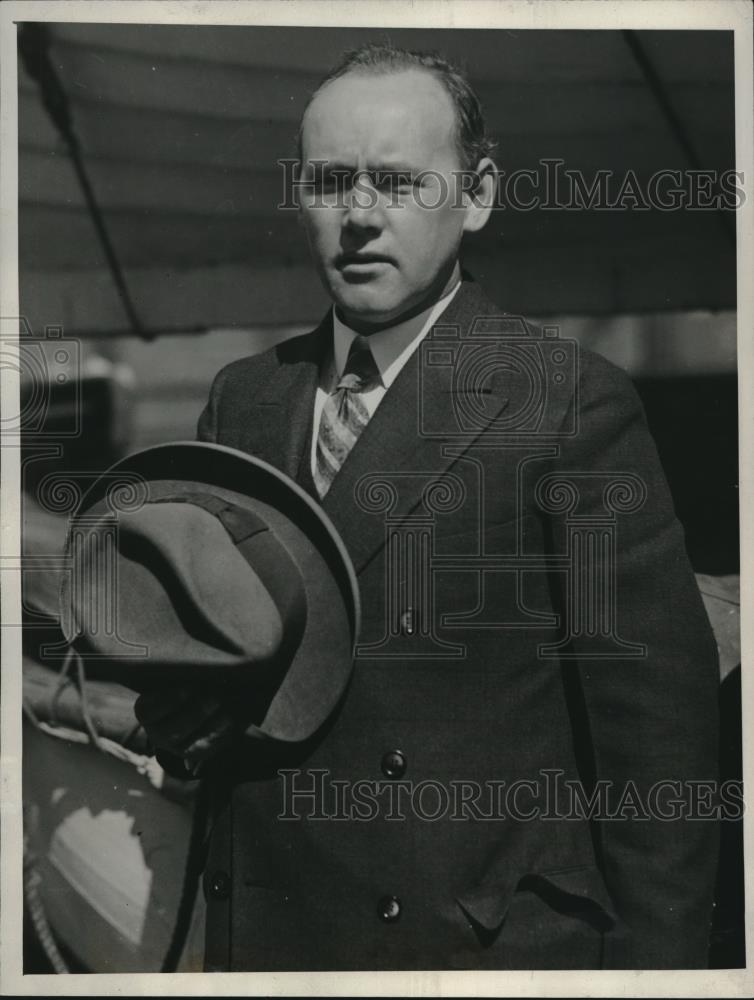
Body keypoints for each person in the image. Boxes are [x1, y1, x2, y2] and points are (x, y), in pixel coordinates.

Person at [134, 45, 720, 971]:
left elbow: (659, 745)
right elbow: (223, 661)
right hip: (270, 944)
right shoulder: (242, 399)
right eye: (331, 181)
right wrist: (183, 714)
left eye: (398, 181)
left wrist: (668, 981)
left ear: (478, 195)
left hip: (474, 950)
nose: (359, 216)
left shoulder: (565, 399)